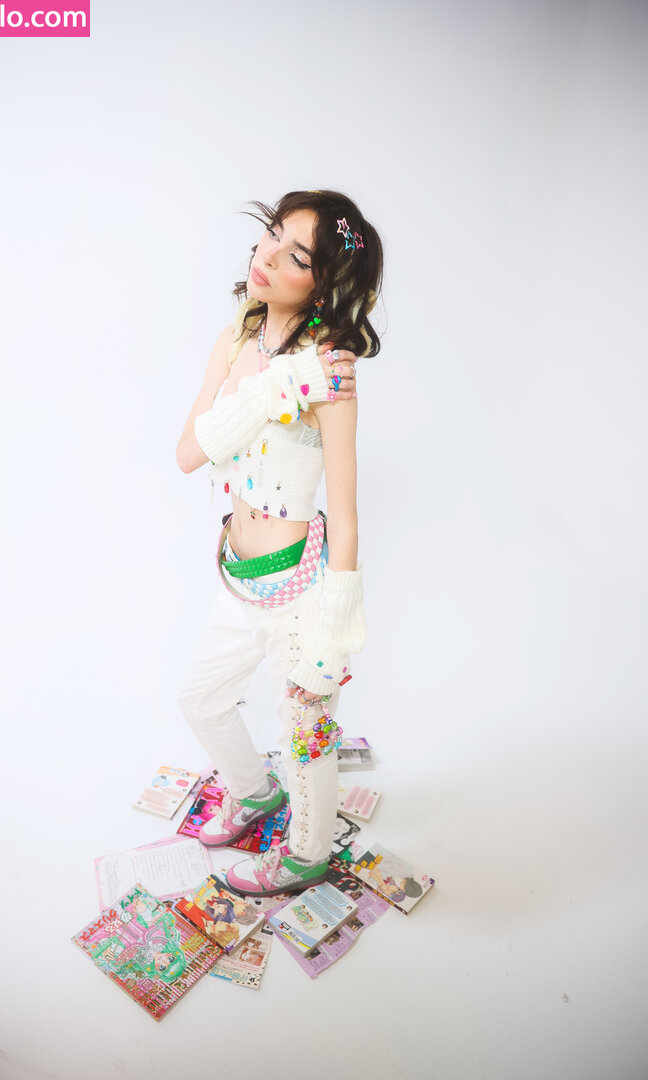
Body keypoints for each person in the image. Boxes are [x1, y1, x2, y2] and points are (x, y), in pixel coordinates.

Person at [176, 190, 383, 897]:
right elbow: (189, 453)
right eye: (271, 233)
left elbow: (347, 517)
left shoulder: (331, 372)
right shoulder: (237, 340)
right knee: (200, 699)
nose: (266, 254)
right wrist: (271, 389)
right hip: (238, 579)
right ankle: (255, 794)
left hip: (300, 589)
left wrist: (333, 638)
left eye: (296, 255)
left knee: (305, 736)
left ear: (322, 284)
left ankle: (306, 855)